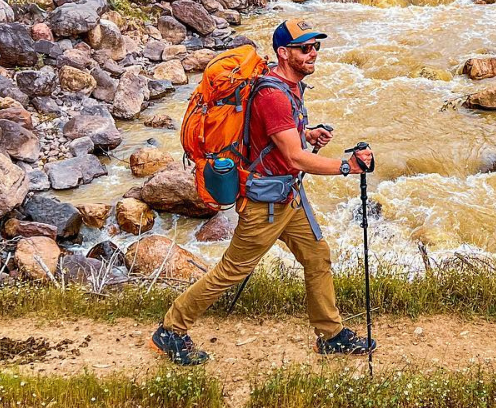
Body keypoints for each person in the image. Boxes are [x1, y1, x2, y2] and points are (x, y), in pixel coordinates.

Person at [151, 19, 376, 366]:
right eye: (305, 48)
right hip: (265, 204)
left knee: (317, 257)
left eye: (316, 46)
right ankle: (171, 329)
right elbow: (294, 157)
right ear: (284, 53)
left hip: (288, 197)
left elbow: (280, 140)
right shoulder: (273, 95)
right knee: (231, 271)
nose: (313, 53)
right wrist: (348, 166)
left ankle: (330, 336)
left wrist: (309, 133)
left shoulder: (291, 86)